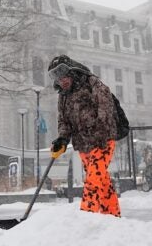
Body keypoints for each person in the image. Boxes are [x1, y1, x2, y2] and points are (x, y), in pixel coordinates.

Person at [48, 55, 121, 217]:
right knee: (101, 180)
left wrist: (101, 133)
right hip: (83, 144)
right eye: (55, 76)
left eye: (62, 74)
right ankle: (113, 216)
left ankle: (86, 217)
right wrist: (62, 139)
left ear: (71, 70)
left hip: (102, 140)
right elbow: (64, 121)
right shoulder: (63, 96)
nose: (61, 80)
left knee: (93, 180)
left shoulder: (91, 83)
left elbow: (106, 107)